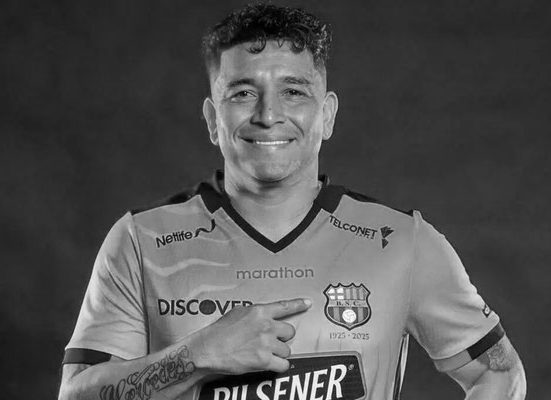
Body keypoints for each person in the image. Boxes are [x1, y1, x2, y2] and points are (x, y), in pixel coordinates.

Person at [58, 3, 526, 400]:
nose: (268, 114)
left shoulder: (402, 242)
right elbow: (76, 394)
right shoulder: (141, 240)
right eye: (243, 93)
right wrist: (196, 356)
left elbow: (499, 372)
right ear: (212, 119)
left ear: (327, 115)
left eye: (293, 92)